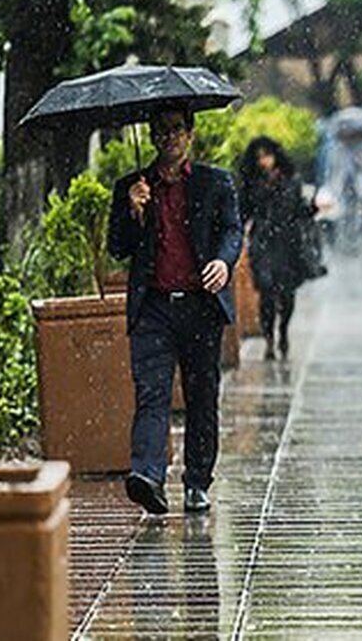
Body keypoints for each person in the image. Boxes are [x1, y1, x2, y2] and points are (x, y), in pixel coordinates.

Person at [108, 108, 243, 516]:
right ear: (151, 138)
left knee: (202, 396)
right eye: (162, 132)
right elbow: (118, 247)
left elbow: (232, 230)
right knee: (152, 393)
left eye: (177, 130)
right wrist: (133, 212)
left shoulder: (215, 182)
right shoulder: (132, 187)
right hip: (154, 309)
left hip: (201, 306)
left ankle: (197, 481)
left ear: (190, 135)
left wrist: (223, 261)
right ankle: (147, 476)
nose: (170, 138)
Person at [238, 136, 320, 361]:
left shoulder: (291, 180)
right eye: (260, 157)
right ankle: (269, 339)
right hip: (263, 243)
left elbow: (299, 210)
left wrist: (313, 207)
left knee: (287, 294)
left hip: (288, 243)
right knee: (265, 292)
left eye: (267, 155)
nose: (264, 161)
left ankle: (283, 330)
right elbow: (243, 212)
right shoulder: (251, 182)